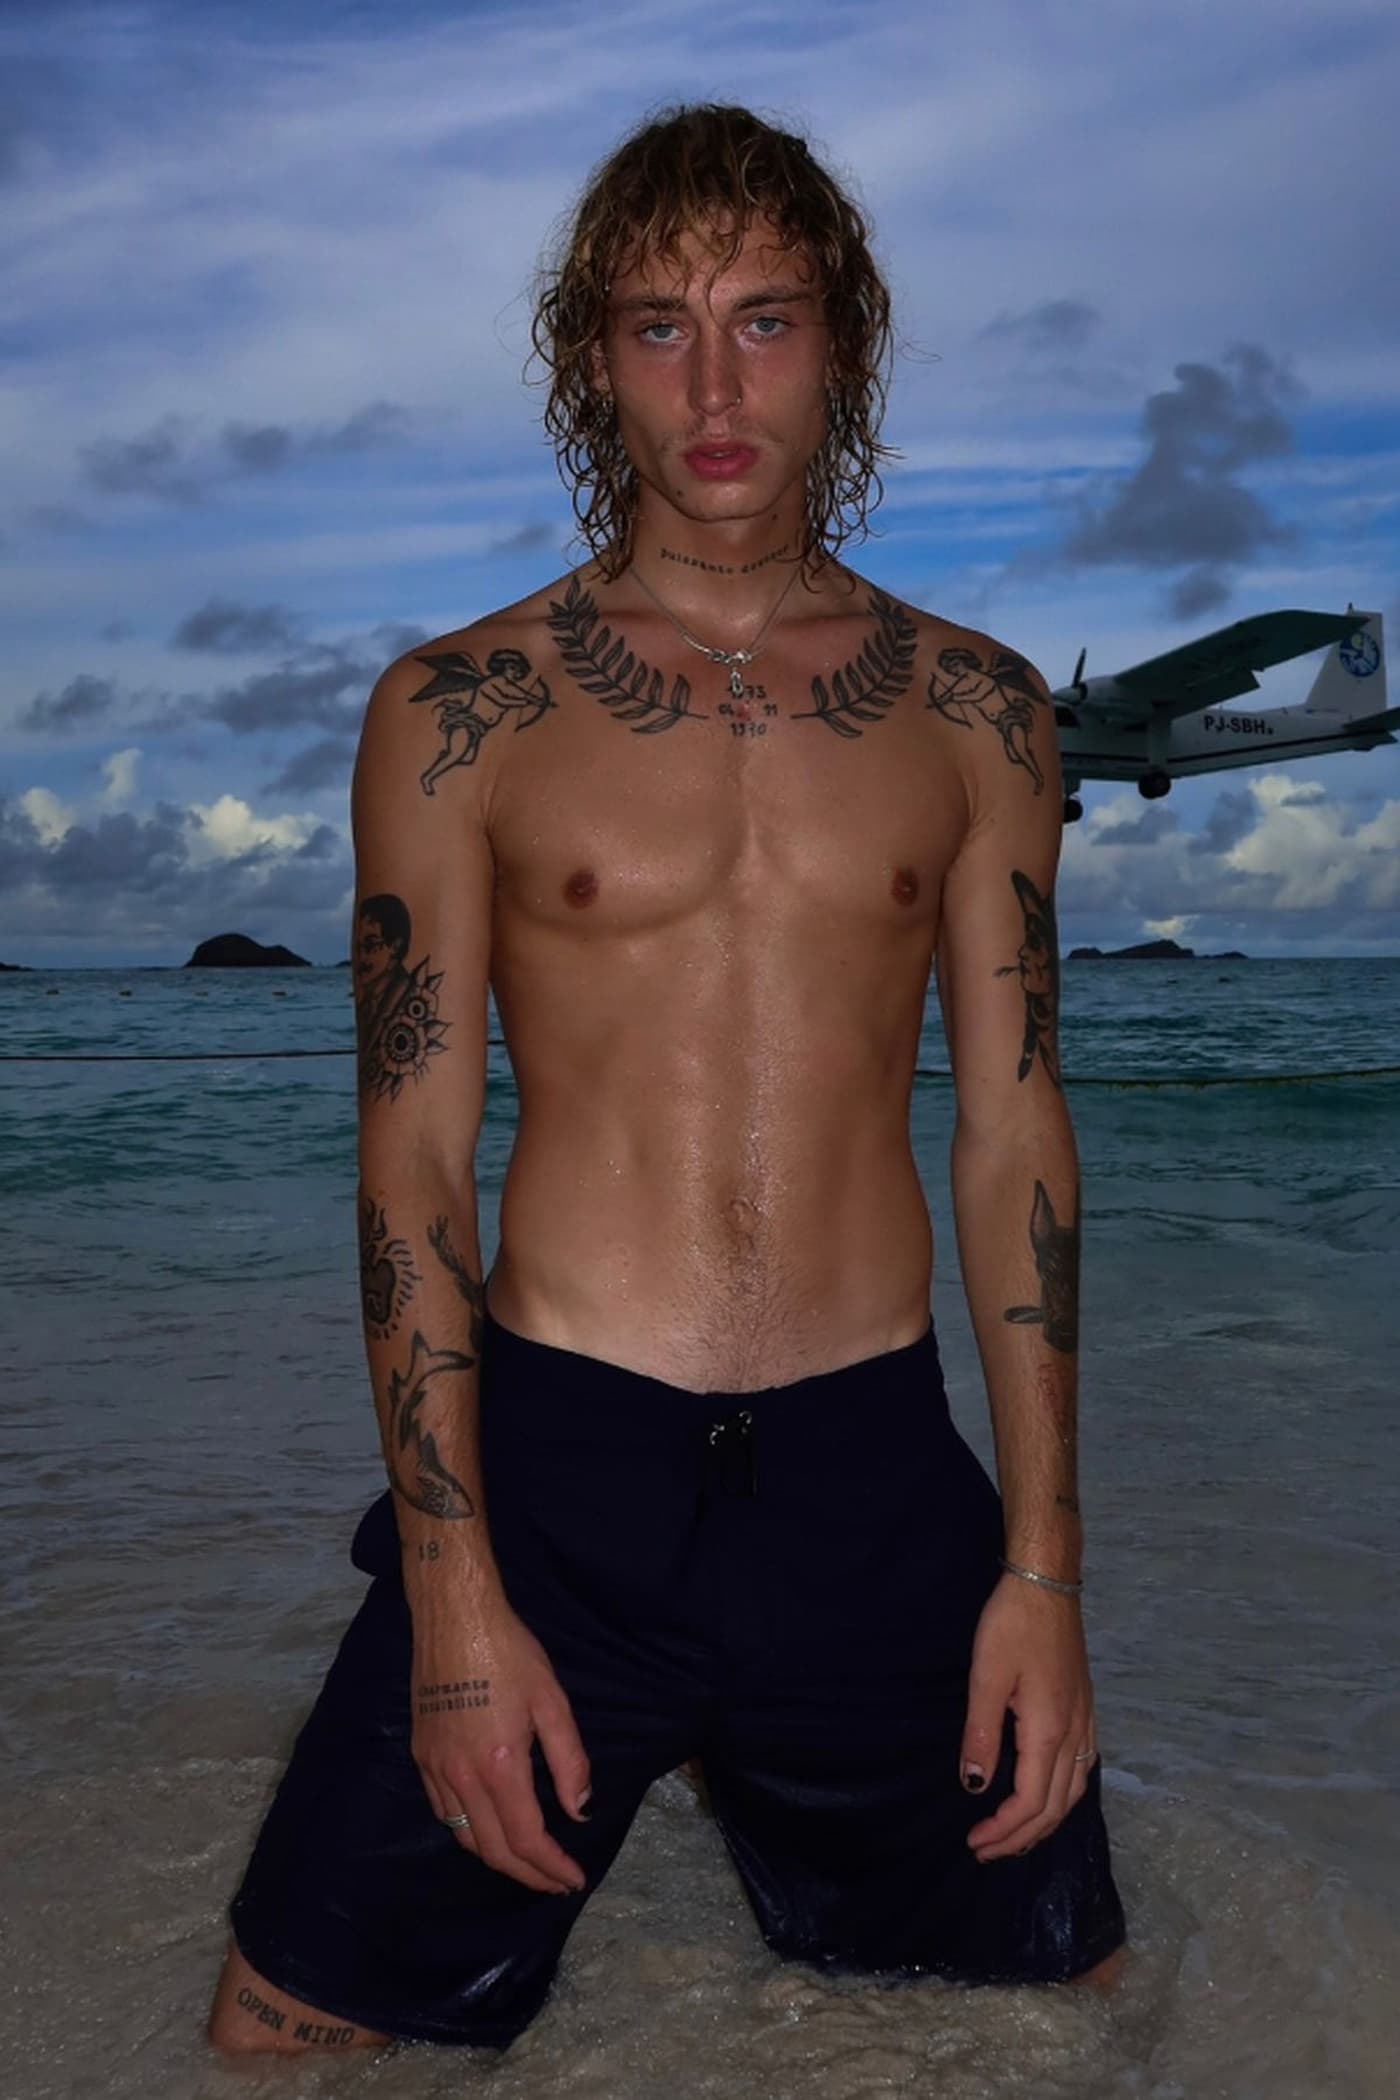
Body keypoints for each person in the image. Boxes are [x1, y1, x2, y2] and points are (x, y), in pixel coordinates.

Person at [209, 102, 1125, 2057]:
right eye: (657, 327)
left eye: (764, 321)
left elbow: (1014, 1139)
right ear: (591, 359)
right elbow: (413, 1164)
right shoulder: (460, 711)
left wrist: (1042, 1573)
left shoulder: (976, 710)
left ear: (843, 343)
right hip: (560, 1470)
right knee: (280, 2034)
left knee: (1067, 2024)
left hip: (873, 1475)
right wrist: (453, 1599)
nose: (713, 388)